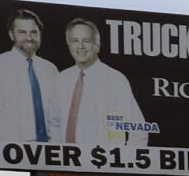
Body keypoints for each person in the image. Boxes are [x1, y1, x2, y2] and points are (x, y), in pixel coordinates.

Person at [49, 17, 150, 157]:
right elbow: (54, 122)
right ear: (68, 44)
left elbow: (138, 128)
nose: (80, 46)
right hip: (66, 165)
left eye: (86, 41)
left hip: (102, 166)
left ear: (97, 45)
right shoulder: (61, 78)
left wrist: (126, 161)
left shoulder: (115, 79)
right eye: (74, 41)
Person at [0, 10, 69, 145]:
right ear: (11, 34)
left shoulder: (50, 69)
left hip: (48, 150)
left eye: (34, 32)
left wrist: (57, 144)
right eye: (22, 32)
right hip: (10, 149)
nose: (29, 37)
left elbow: (58, 113)